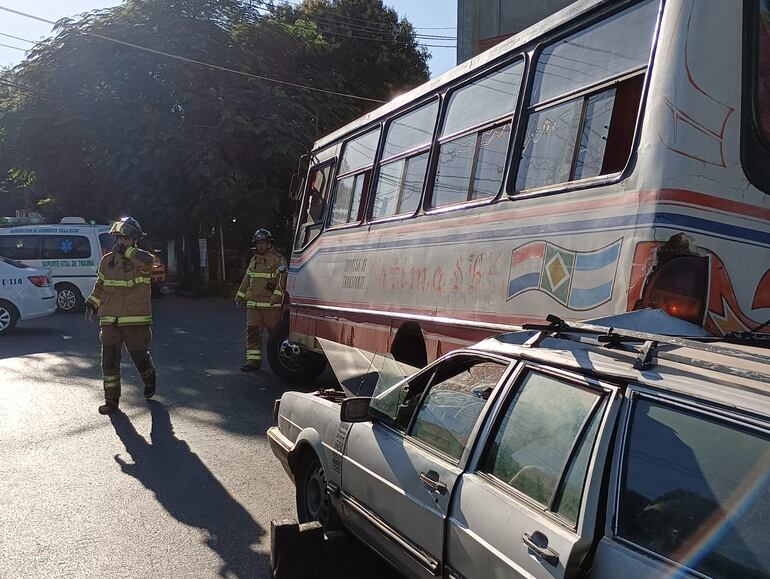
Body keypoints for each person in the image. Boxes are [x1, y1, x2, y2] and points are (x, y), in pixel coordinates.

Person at [85, 217, 157, 414]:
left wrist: (129, 252)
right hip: (109, 319)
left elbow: (149, 262)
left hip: (135, 319)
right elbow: (100, 286)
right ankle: (111, 401)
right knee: (109, 361)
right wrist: (92, 303)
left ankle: (150, 377)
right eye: (119, 237)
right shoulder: (107, 261)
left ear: (134, 239)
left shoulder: (142, 258)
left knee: (139, 357)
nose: (121, 241)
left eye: (125, 238)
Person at [235, 228, 286, 372]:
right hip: (253, 306)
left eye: (264, 243)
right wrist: (240, 295)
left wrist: (276, 297)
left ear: (269, 243)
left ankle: (280, 364)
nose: (261, 246)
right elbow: (247, 279)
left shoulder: (278, 259)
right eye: (258, 243)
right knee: (252, 334)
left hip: (270, 307)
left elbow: (281, 280)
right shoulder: (254, 259)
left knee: (275, 337)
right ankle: (253, 362)